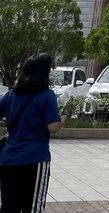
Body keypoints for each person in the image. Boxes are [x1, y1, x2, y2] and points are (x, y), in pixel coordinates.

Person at [0, 52, 70, 213]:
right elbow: (53, 127)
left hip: (8, 160)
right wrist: (64, 115)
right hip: (34, 160)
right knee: (33, 208)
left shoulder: (11, 95)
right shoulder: (46, 96)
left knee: (9, 208)